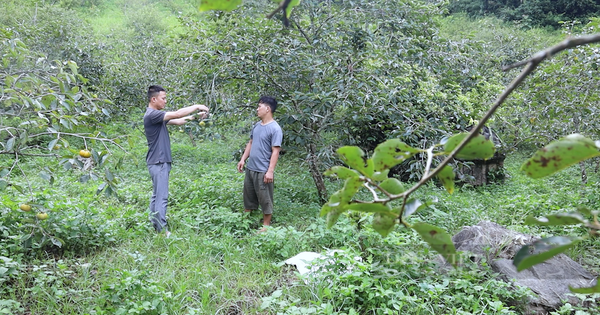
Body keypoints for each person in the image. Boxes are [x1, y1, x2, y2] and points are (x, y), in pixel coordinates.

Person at [144, 85, 209, 237]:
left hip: (157, 161)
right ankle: (162, 230)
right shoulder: (152, 115)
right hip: (159, 161)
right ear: (154, 99)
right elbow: (177, 113)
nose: (165, 101)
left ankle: (155, 224)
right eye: (163, 98)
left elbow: (179, 121)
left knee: (156, 195)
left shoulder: (156, 116)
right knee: (162, 196)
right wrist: (197, 106)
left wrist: (195, 117)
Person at [237, 96, 283, 233]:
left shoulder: (275, 129)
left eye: (259, 106)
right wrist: (243, 159)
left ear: (268, 109)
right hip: (251, 168)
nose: (257, 109)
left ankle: (266, 226)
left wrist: (270, 171)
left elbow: (276, 151)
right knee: (248, 196)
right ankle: (246, 221)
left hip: (263, 170)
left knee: (265, 198)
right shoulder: (257, 126)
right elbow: (250, 143)